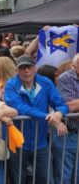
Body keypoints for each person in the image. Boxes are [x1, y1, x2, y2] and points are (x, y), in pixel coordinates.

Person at [4, 55, 68, 184]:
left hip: (40, 142)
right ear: (17, 70)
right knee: (19, 180)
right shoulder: (11, 84)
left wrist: (59, 114)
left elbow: (60, 103)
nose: (26, 71)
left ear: (35, 68)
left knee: (45, 179)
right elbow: (21, 108)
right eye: (22, 68)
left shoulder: (45, 82)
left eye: (29, 67)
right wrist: (48, 116)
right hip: (17, 141)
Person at [53, 53, 79, 184]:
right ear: (75, 66)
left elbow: (75, 104)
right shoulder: (65, 78)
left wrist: (76, 104)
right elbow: (68, 105)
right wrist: (74, 106)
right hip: (67, 133)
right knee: (64, 175)